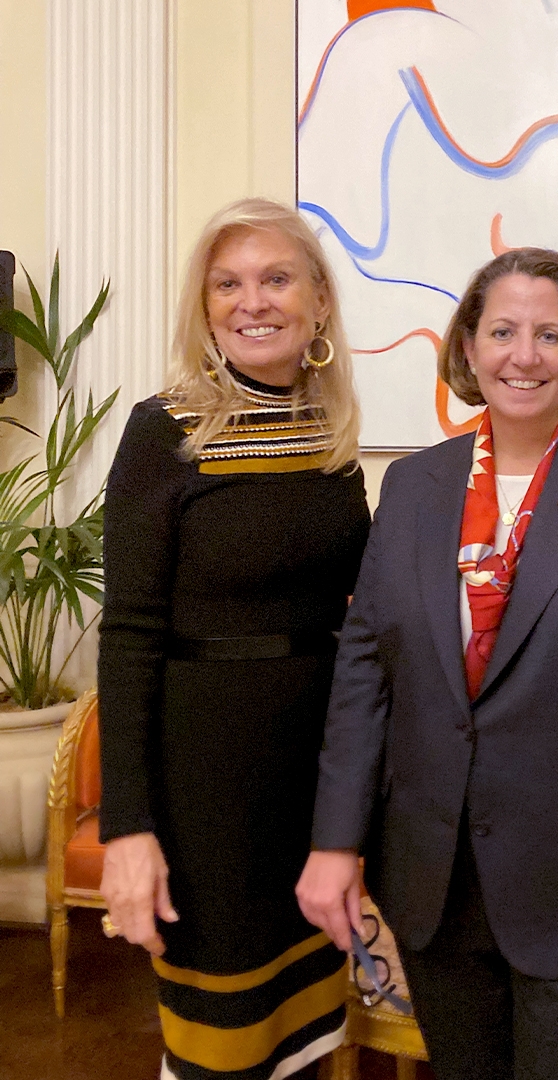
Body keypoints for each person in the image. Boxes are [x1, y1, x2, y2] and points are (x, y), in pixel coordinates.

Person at [296, 248, 558, 1080]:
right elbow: (365, 673)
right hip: (436, 884)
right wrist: (335, 840)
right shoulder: (414, 487)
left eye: (549, 334)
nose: (524, 355)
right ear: (470, 349)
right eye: (503, 332)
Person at [97, 197, 372, 1080]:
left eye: (276, 278)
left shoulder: (329, 433)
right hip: (206, 789)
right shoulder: (164, 428)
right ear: (206, 307)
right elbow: (130, 635)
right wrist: (128, 830)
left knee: (309, 1034)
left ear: (318, 303)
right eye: (228, 284)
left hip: (316, 782)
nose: (252, 302)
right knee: (223, 1049)